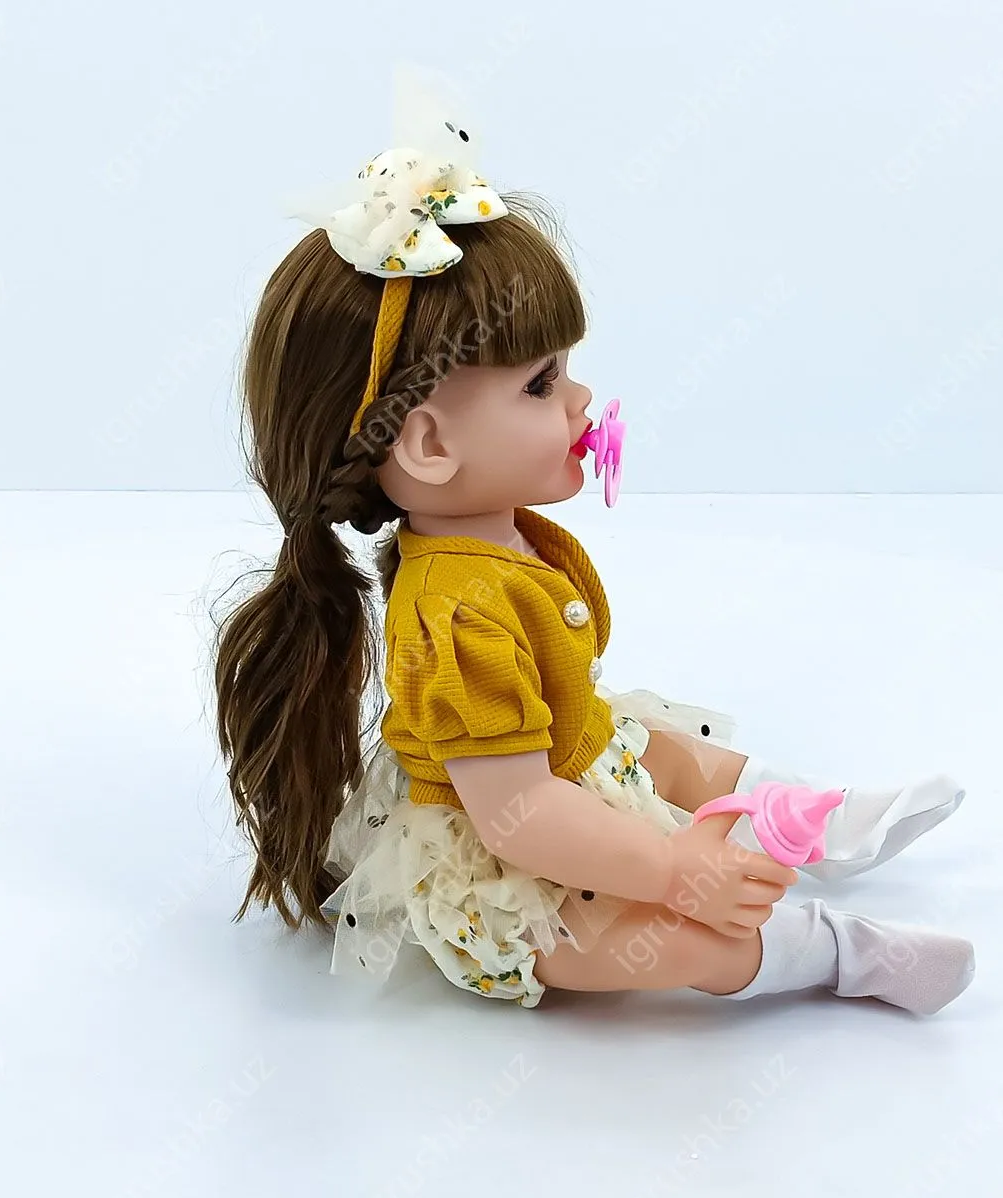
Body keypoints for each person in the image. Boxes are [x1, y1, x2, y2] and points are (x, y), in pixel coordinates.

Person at [212, 100, 974, 1017]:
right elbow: (519, 815)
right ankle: (835, 953)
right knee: (653, 941)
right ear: (428, 445)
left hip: (569, 752)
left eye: (566, 369)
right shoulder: (455, 614)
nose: (580, 401)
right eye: (540, 384)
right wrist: (672, 870)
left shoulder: (501, 533)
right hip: (507, 858)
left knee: (677, 753)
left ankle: (818, 821)